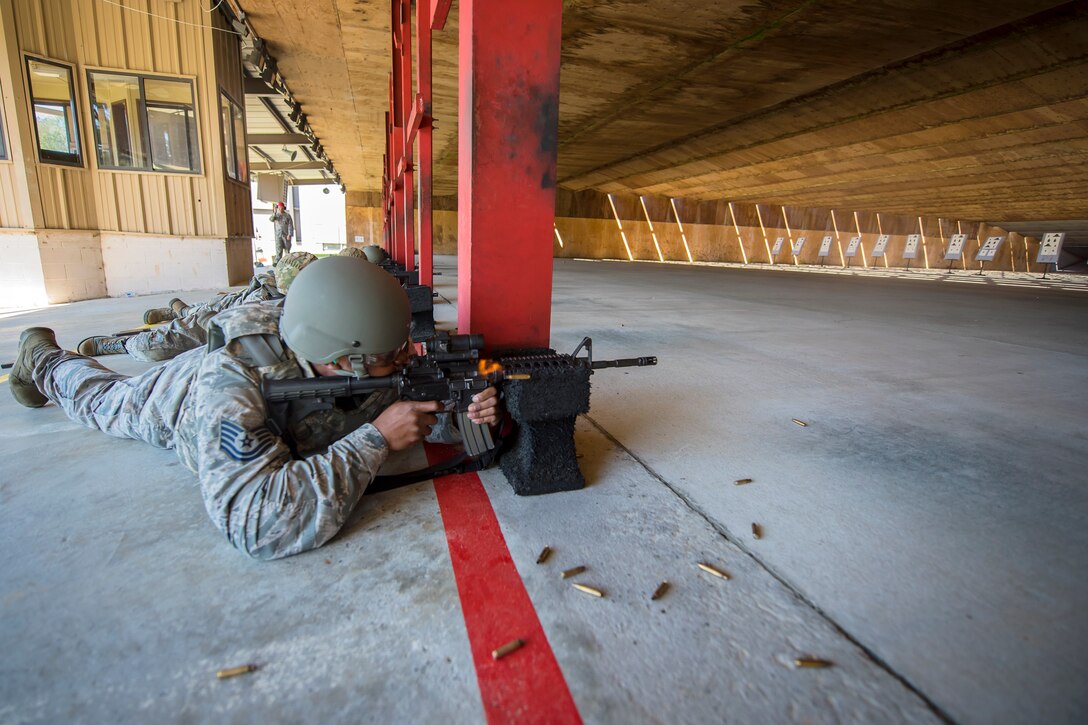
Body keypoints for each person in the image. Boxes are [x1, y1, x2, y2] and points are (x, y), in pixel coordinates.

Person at [8, 256, 503, 560]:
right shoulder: (233, 378)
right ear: (340, 361)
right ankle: (45, 359)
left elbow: (406, 396)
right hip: (178, 400)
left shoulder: (360, 346)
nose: (402, 361)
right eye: (386, 358)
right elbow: (256, 524)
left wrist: (465, 413)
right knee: (104, 401)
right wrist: (375, 441)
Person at [78, 252, 318, 362]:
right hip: (224, 317)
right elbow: (226, 323)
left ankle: (179, 310)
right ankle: (122, 344)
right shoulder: (261, 297)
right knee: (156, 347)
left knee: (201, 312)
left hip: (231, 316)